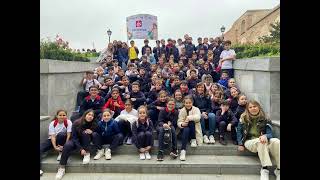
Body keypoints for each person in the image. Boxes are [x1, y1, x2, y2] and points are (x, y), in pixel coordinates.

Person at [237, 100, 280, 180]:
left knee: (277, 142)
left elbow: (270, 133)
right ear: (248, 109)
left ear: (259, 107)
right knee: (260, 142)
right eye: (250, 107)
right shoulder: (244, 118)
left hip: (263, 140)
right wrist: (240, 143)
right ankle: (264, 169)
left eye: (255, 106)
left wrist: (265, 135)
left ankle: (278, 170)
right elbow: (239, 131)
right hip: (249, 141)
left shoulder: (265, 118)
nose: (253, 108)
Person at [55, 109, 99, 180]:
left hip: (86, 141)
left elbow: (97, 132)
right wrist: (80, 149)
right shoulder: (76, 123)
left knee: (85, 133)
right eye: (89, 114)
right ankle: (61, 168)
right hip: (75, 140)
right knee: (67, 145)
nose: (90, 116)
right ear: (85, 115)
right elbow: (74, 138)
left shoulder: (94, 123)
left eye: (92, 115)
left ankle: (87, 153)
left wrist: (92, 131)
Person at [40, 110, 72, 176]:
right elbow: (53, 136)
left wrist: (65, 146)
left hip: (63, 140)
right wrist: (54, 147)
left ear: (66, 116)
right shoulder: (53, 123)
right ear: (57, 116)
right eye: (60, 115)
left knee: (61, 134)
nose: (62, 117)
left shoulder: (68, 122)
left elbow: (69, 135)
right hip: (53, 140)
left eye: (64, 115)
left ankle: (61, 152)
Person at [177, 96, 202, 161]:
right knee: (186, 129)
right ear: (184, 103)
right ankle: (183, 151)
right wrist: (182, 124)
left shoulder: (196, 109)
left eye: (189, 103)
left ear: (192, 103)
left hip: (193, 130)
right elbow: (179, 121)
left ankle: (193, 139)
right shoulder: (182, 110)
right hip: (184, 131)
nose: (188, 104)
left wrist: (188, 118)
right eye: (186, 103)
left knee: (191, 122)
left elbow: (198, 117)